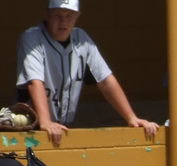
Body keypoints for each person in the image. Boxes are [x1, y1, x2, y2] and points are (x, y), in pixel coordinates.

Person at [16, 0, 159, 145]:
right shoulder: (32, 37)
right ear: (47, 14)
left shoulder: (81, 38)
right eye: (57, 15)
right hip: (31, 128)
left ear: (77, 16)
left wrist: (131, 118)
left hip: (63, 128)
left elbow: (105, 80)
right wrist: (45, 121)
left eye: (69, 15)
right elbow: (35, 82)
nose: (63, 21)